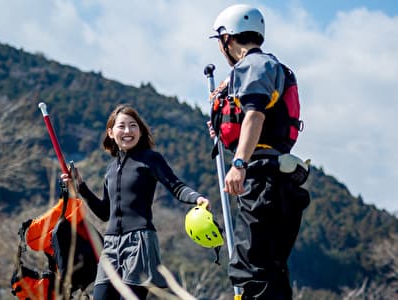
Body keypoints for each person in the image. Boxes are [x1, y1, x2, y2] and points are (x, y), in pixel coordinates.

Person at [208, 4, 311, 300]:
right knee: (270, 267)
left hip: (262, 179)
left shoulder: (253, 66)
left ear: (227, 39)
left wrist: (238, 163)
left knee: (252, 268)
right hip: (278, 176)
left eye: (219, 42)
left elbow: (254, 115)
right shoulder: (270, 66)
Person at [62, 104, 210, 300]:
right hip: (111, 245)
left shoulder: (151, 159)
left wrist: (196, 198)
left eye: (133, 126)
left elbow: (176, 186)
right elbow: (105, 213)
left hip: (140, 243)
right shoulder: (110, 169)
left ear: (140, 131)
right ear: (111, 132)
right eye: (121, 126)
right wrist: (81, 188)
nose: (128, 131)